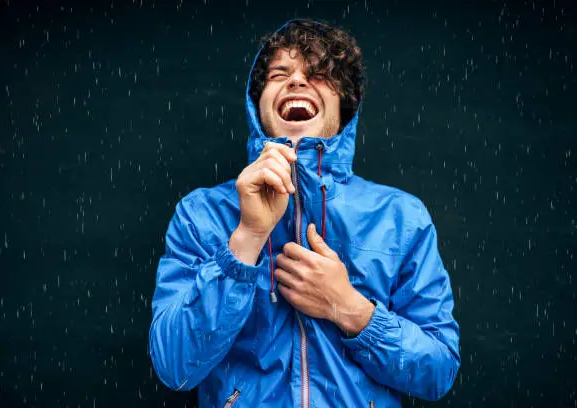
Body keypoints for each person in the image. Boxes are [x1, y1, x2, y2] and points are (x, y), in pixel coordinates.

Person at [149, 18, 460, 408]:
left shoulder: (401, 217)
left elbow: (438, 371)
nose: (296, 81)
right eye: (280, 74)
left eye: (317, 75)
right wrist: (246, 239)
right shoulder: (201, 214)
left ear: (343, 107)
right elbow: (175, 367)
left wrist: (348, 307)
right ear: (257, 105)